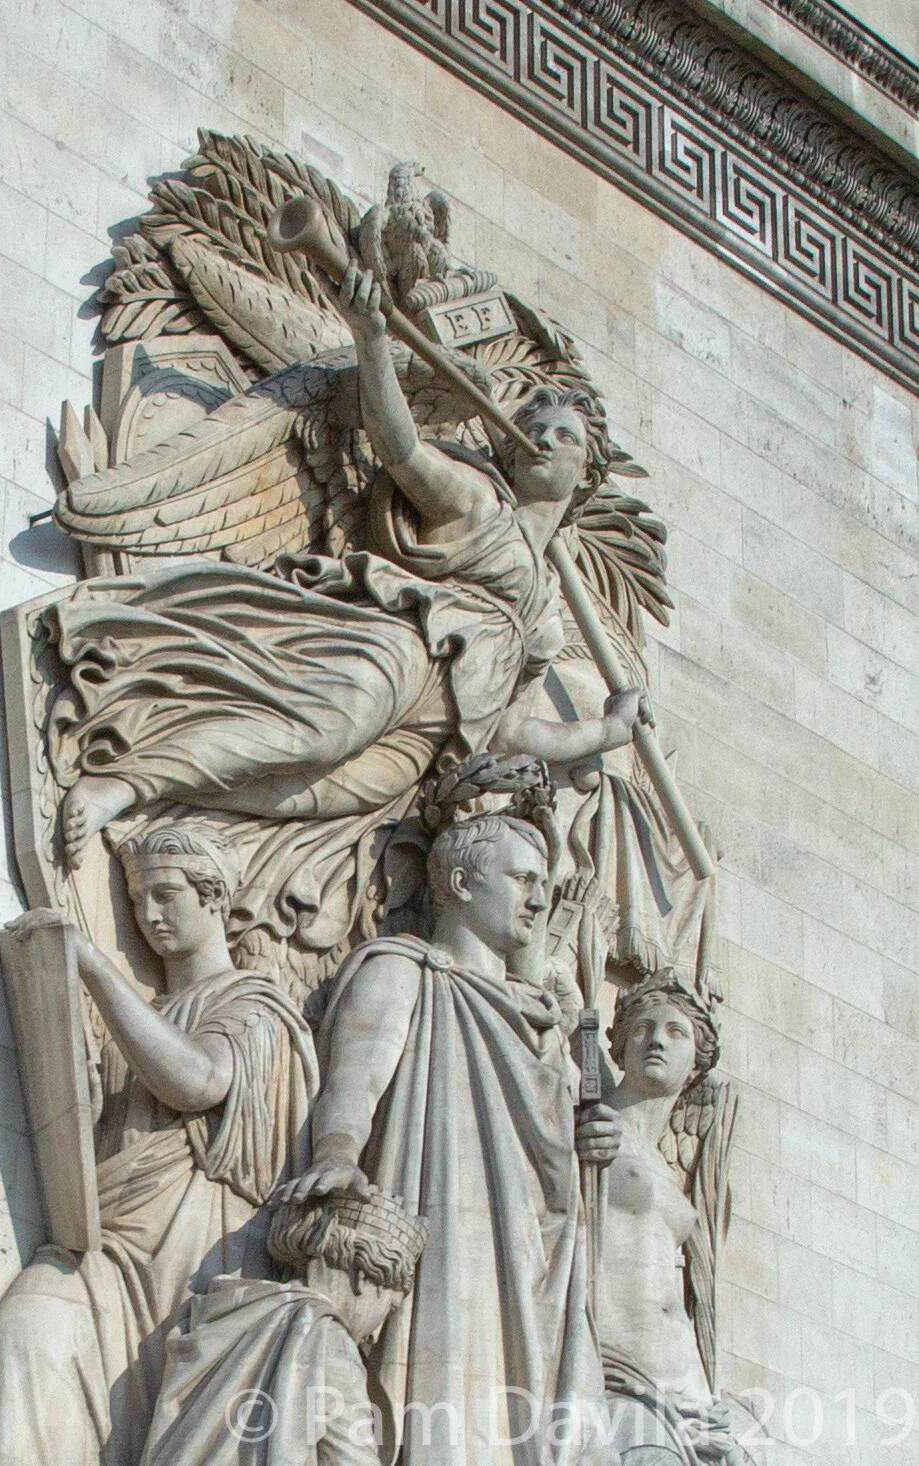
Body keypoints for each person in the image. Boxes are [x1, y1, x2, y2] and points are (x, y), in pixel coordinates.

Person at [49, 262, 651, 871]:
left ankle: (154, 787)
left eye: (564, 437)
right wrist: (370, 340)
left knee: (304, 795)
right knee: (316, 735)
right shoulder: (478, 501)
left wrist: (607, 732)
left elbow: (510, 734)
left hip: (428, 735)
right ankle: (122, 783)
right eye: (535, 429)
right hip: (401, 654)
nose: (544, 441)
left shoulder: (543, 611)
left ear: (587, 476)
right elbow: (401, 448)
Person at [277, 809, 622, 1466]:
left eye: (543, 883)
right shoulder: (405, 970)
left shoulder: (543, 1023)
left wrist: (592, 1140)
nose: (539, 898)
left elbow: (556, 1141)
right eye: (521, 879)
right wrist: (336, 1154)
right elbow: (356, 1077)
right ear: (462, 882)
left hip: (535, 1257)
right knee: (449, 1406)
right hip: (444, 1220)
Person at [0, 823, 318, 1466]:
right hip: (108, 1243)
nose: (148, 915)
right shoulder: (146, 1015)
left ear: (214, 897)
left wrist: (93, 966)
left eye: (166, 895)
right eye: (136, 901)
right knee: (26, 1328)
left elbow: (200, 1079)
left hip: (198, 1259)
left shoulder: (257, 1006)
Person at [142, 1189, 429, 1466]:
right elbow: (351, 1458)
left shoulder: (229, 1311)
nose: (375, 1333)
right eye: (389, 1308)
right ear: (364, 1281)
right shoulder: (323, 1336)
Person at [597, 975, 741, 1466]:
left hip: (683, 1388)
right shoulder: (589, 1125)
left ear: (696, 1065)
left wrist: (703, 1398)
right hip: (615, 1372)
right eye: (641, 1028)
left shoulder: (665, 1166)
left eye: (676, 1032)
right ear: (619, 1047)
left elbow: (672, 1301)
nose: (656, 1039)